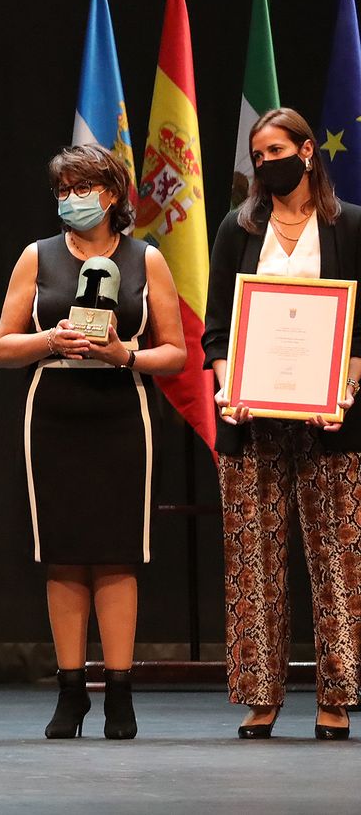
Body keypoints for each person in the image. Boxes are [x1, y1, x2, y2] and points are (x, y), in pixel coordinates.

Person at [0, 144, 185, 739]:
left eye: (82, 188)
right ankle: (70, 692)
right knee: (64, 553)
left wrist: (126, 354)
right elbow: (1, 347)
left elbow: (175, 353)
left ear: (112, 194)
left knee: (118, 553)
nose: (71, 199)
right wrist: (51, 340)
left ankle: (120, 694)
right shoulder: (37, 256)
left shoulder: (146, 259)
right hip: (53, 412)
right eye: (62, 190)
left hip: (123, 411)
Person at [203, 107, 361, 741]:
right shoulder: (237, 227)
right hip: (251, 420)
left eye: (276, 151)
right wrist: (228, 387)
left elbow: (358, 327)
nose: (267, 163)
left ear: (307, 151)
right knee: (253, 559)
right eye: (258, 155)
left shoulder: (349, 225)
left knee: (338, 557)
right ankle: (260, 695)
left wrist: (348, 383)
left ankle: (338, 696)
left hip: (332, 421)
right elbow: (217, 326)